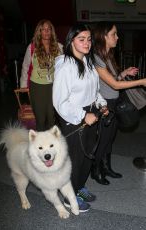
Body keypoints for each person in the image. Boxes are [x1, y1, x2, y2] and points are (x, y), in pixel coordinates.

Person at [53, 24, 109, 212]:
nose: (87, 43)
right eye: (81, 39)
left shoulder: (89, 62)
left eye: (89, 39)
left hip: (91, 114)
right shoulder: (65, 66)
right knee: (75, 159)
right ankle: (69, 197)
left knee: (86, 158)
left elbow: (95, 90)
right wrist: (83, 115)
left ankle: (78, 187)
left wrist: (101, 104)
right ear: (71, 41)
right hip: (74, 117)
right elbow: (60, 102)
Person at [91, 21, 146, 185]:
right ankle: (96, 170)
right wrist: (141, 81)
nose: (117, 37)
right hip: (104, 105)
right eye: (114, 34)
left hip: (114, 103)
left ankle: (106, 167)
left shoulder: (107, 56)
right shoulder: (96, 58)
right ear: (104, 36)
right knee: (103, 139)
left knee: (110, 138)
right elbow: (114, 85)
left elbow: (113, 80)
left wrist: (124, 73)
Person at [20, 19, 63, 131]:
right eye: (43, 29)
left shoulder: (59, 47)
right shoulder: (32, 47)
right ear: (39, 31)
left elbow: (64, 66)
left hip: (54, 86)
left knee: (52, 117)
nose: (46, 31)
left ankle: (51, 144)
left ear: (52, 31)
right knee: (40, 119)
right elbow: (25, 66)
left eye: (48, 29)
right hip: (37, 86)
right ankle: (40, 146)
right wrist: (23, 84)